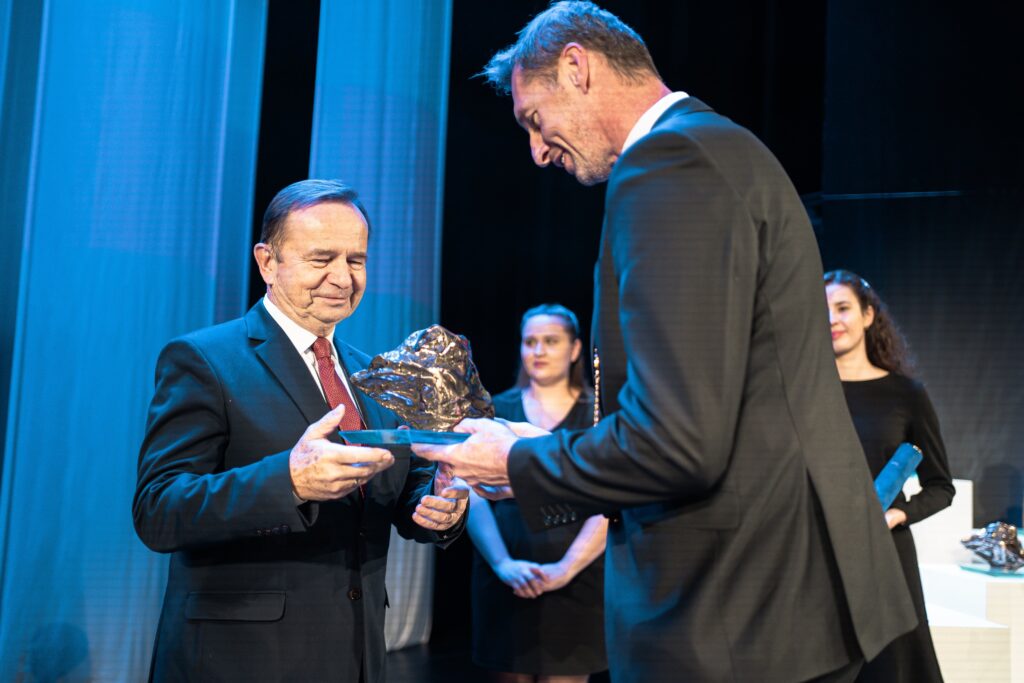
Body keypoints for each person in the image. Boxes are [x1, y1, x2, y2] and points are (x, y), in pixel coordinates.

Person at [413, 3, 919, 681]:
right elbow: (712, 415)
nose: (537, 151)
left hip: (735, 615)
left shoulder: (670, 164)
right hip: (781, 607)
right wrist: (544, 450)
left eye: (535, 119)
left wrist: (520, 463)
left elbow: (679, 444)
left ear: (577, 67)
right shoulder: (718, 148)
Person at [132, 179, 468, 682]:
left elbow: (397, 495)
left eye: (356, 260)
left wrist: (437, 504)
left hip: (356, 658)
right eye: (321, 259)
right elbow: (158, 510)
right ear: (268, 262)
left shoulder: (371, 375)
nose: (342, 277)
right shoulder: (204, 359)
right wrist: (288, 481)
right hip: (243, 663)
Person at [826, 269, 954, 683]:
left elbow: (940, 487)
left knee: (890, 668)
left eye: (842, 308)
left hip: (885, 554)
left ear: (867, 315)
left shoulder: (906, 394)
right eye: (821, 311)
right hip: (821, 552)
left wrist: (898, 514)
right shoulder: (803, 394)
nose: (831, 319)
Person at [469, 304, 607, 682]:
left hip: (577, 578)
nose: (538, 351)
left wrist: (565, 569)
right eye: (530, 341)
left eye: (551, 341)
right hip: (507, 573)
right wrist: (502, 564)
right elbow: (471, 491)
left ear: (575, 349)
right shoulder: (495, 409)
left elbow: (611, 499)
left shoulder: (598, 414)